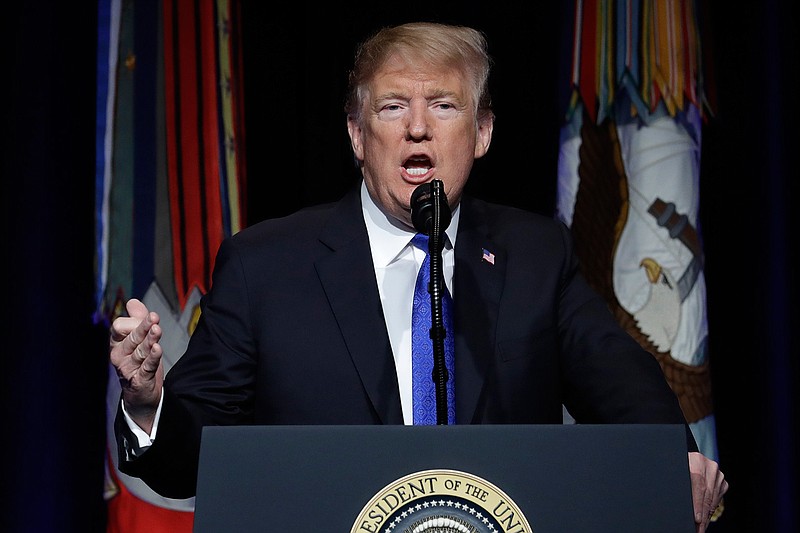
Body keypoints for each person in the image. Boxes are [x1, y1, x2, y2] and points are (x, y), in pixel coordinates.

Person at [110, 21, 727, 531]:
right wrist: (147, 402)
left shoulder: (534, 254)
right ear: (357, 133)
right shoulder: (266, 266)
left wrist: (679, 457)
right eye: (392, 106)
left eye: (444, 105)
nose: (417, 127)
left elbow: (621, 380)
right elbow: (185, 461)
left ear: (481, 133)